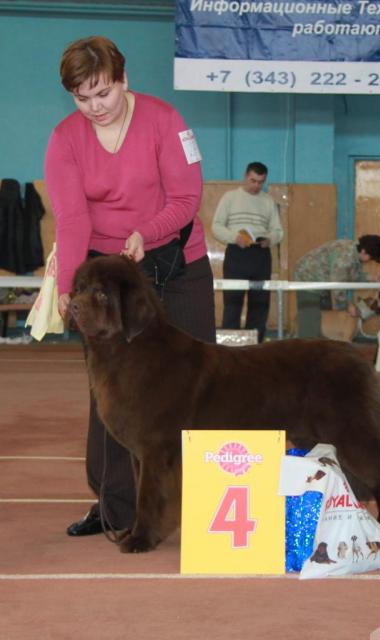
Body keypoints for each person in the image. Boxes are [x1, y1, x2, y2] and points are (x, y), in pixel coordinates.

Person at [44, 36, 216, 536]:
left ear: (124, 80)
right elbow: (72, 219)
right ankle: (114, 505)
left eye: (103, 93)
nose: (94, 107)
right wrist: (70, 289)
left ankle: (206, 501)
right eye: (81, 97)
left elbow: (187, 197)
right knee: (112, 394)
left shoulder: (166, 121)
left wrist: (149, 232)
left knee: (200, 381)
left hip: (176, 262)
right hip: (107, 280)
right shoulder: (64, 140)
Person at [211, 162, 283, 342]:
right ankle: (228, 349)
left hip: (261, 255)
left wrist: (270, 240)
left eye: (261, 182)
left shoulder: (268, 201)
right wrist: (234, 237)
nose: (256, 185)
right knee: (232, 303)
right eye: (253, 181)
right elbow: (216, 226)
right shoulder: (230, 198)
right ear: (245, 176)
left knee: (260, 304)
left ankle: (256, 348)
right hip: (237, 253)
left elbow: (278, 231)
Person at [293, 235, 380, 338]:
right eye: (371, 257)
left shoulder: (355, 253)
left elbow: (352, 276)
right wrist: (347, 305)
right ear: (364, 251)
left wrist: (371, 278)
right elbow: (338, 286)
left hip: (323, 282)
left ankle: (321, 349)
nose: (370, 261)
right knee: (310, 324)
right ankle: (306, 350)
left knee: (325, 326)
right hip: (307, 278)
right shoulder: (344, 256)